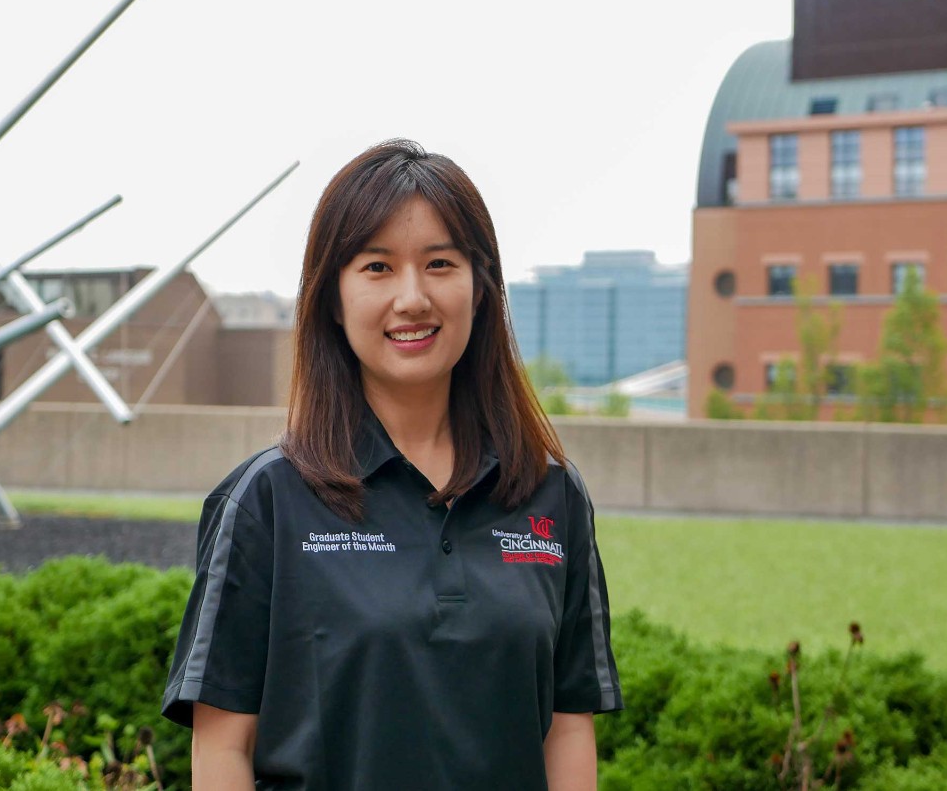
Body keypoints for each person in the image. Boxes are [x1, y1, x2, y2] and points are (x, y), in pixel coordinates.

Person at [161, 139, 622, 790]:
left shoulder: (552, 494)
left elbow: (568, 729)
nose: (413, 298)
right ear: (332, 296)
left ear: (480, 287)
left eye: (440, 263)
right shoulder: (267, 499)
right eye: (377, 267)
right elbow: (222, 748)